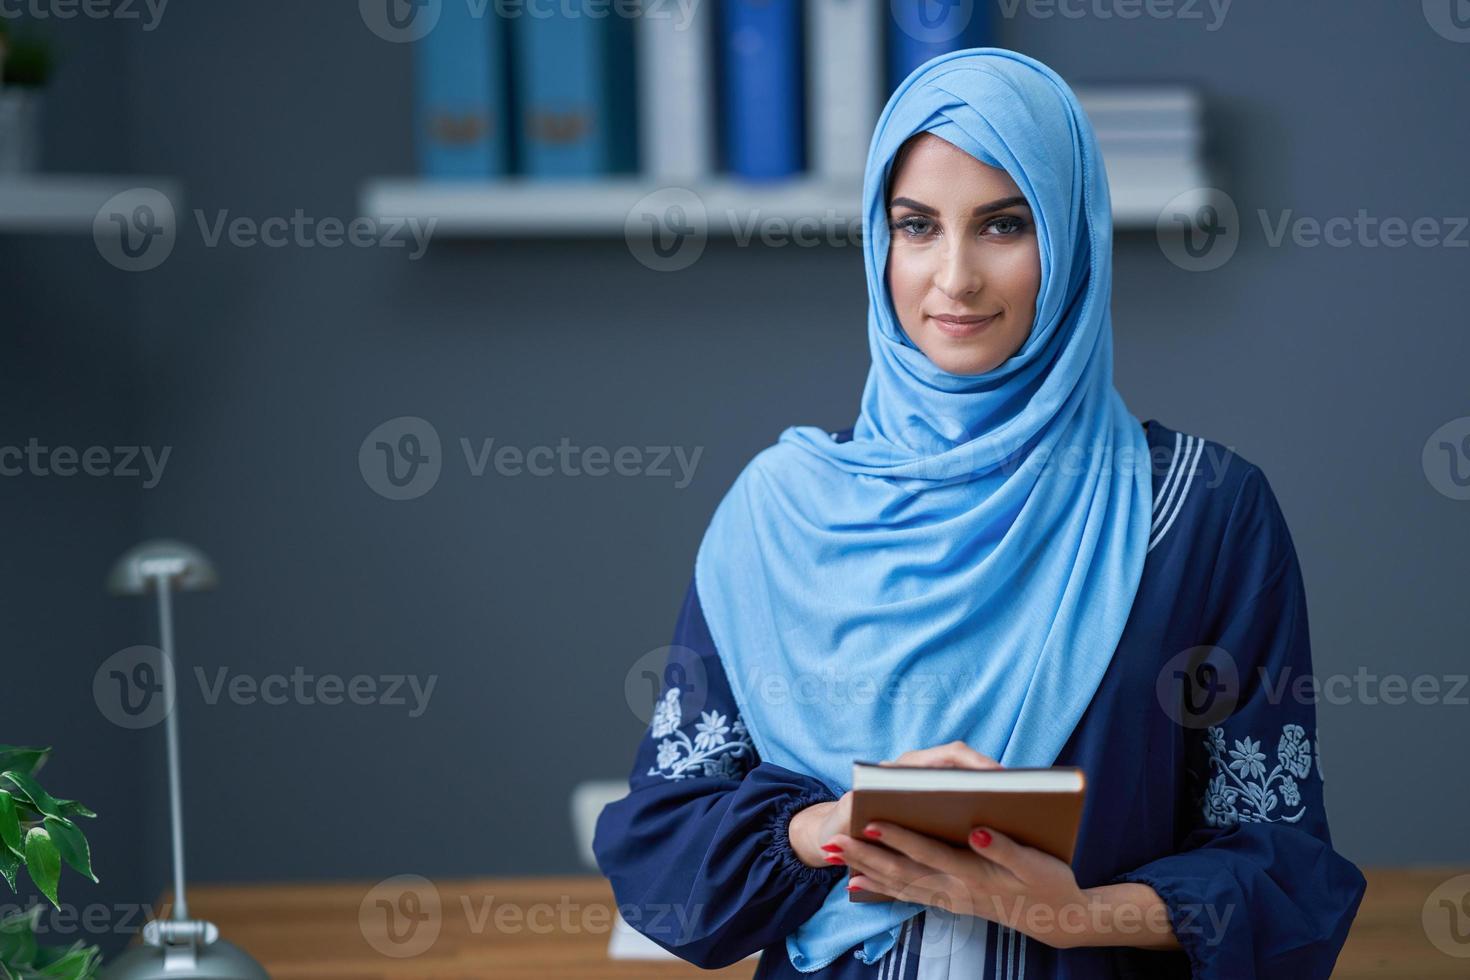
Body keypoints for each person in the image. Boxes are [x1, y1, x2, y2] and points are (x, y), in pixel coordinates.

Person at [593, 47, 1365, 979]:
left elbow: (1285, 872)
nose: (953, 278)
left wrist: (1078, 916)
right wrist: (833, 828)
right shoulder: (777, 516)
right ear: (879, 245)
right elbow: (664, 850)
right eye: (916, 226)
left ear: (1072, 237)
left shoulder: (1202, 514)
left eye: (1003, 226)